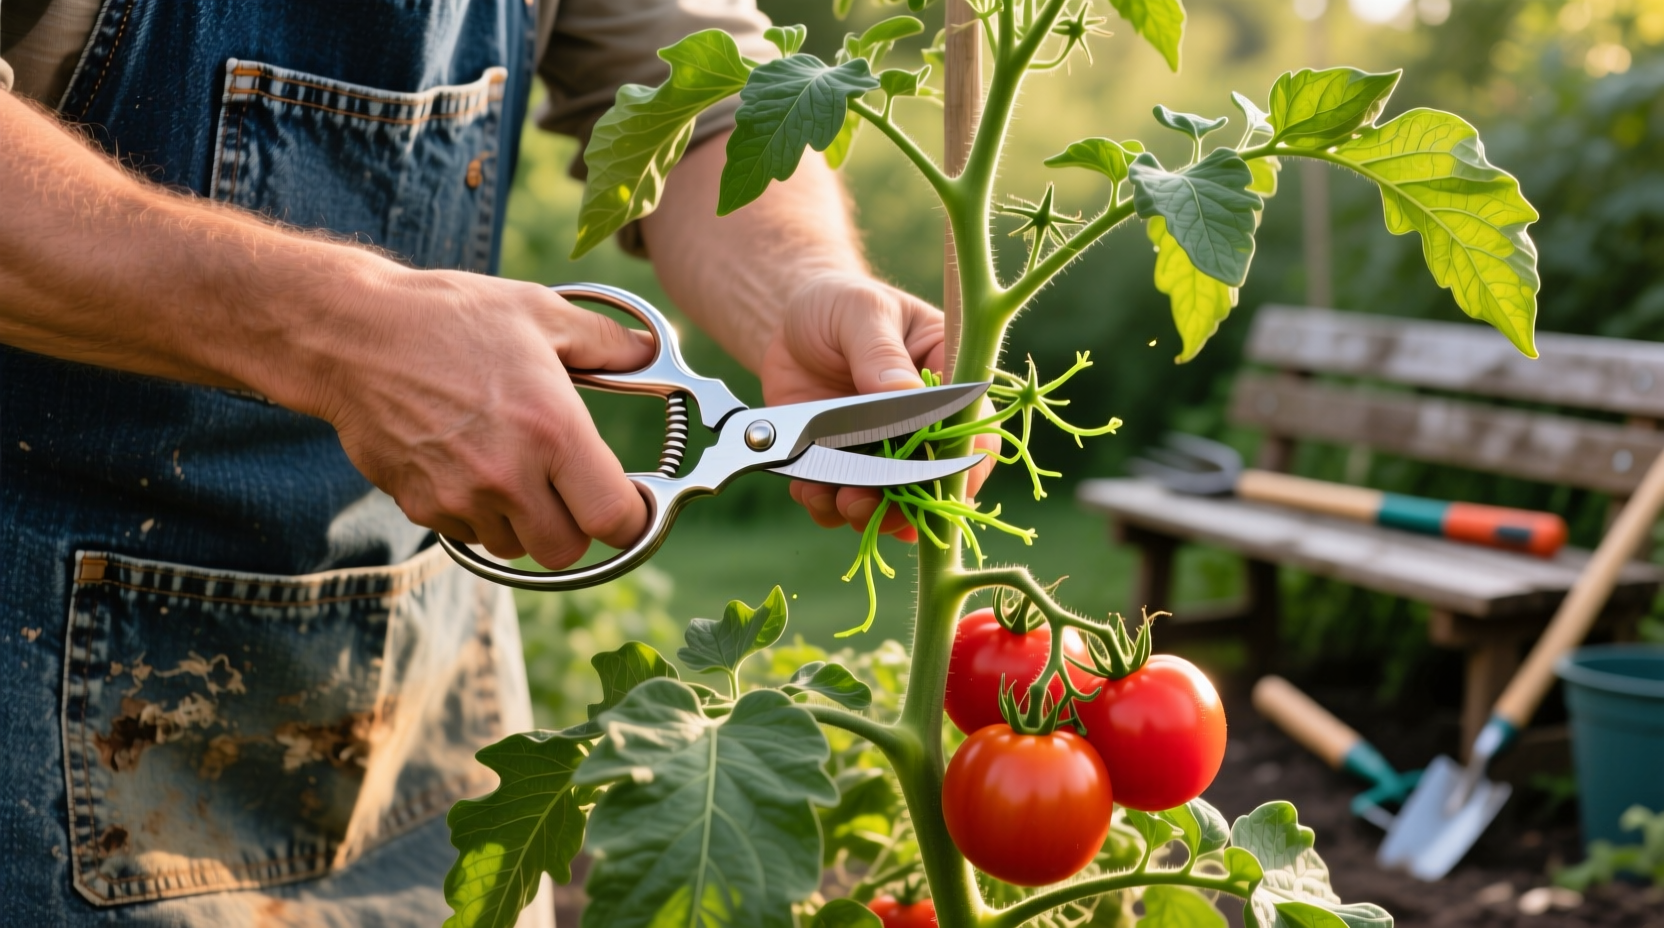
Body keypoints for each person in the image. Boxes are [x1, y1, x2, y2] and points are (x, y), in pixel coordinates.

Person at [0, 1, 985, 924]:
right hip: (37, 737)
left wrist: (802, 285)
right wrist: (336, 329)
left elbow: (698, 88)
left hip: (420, 717)